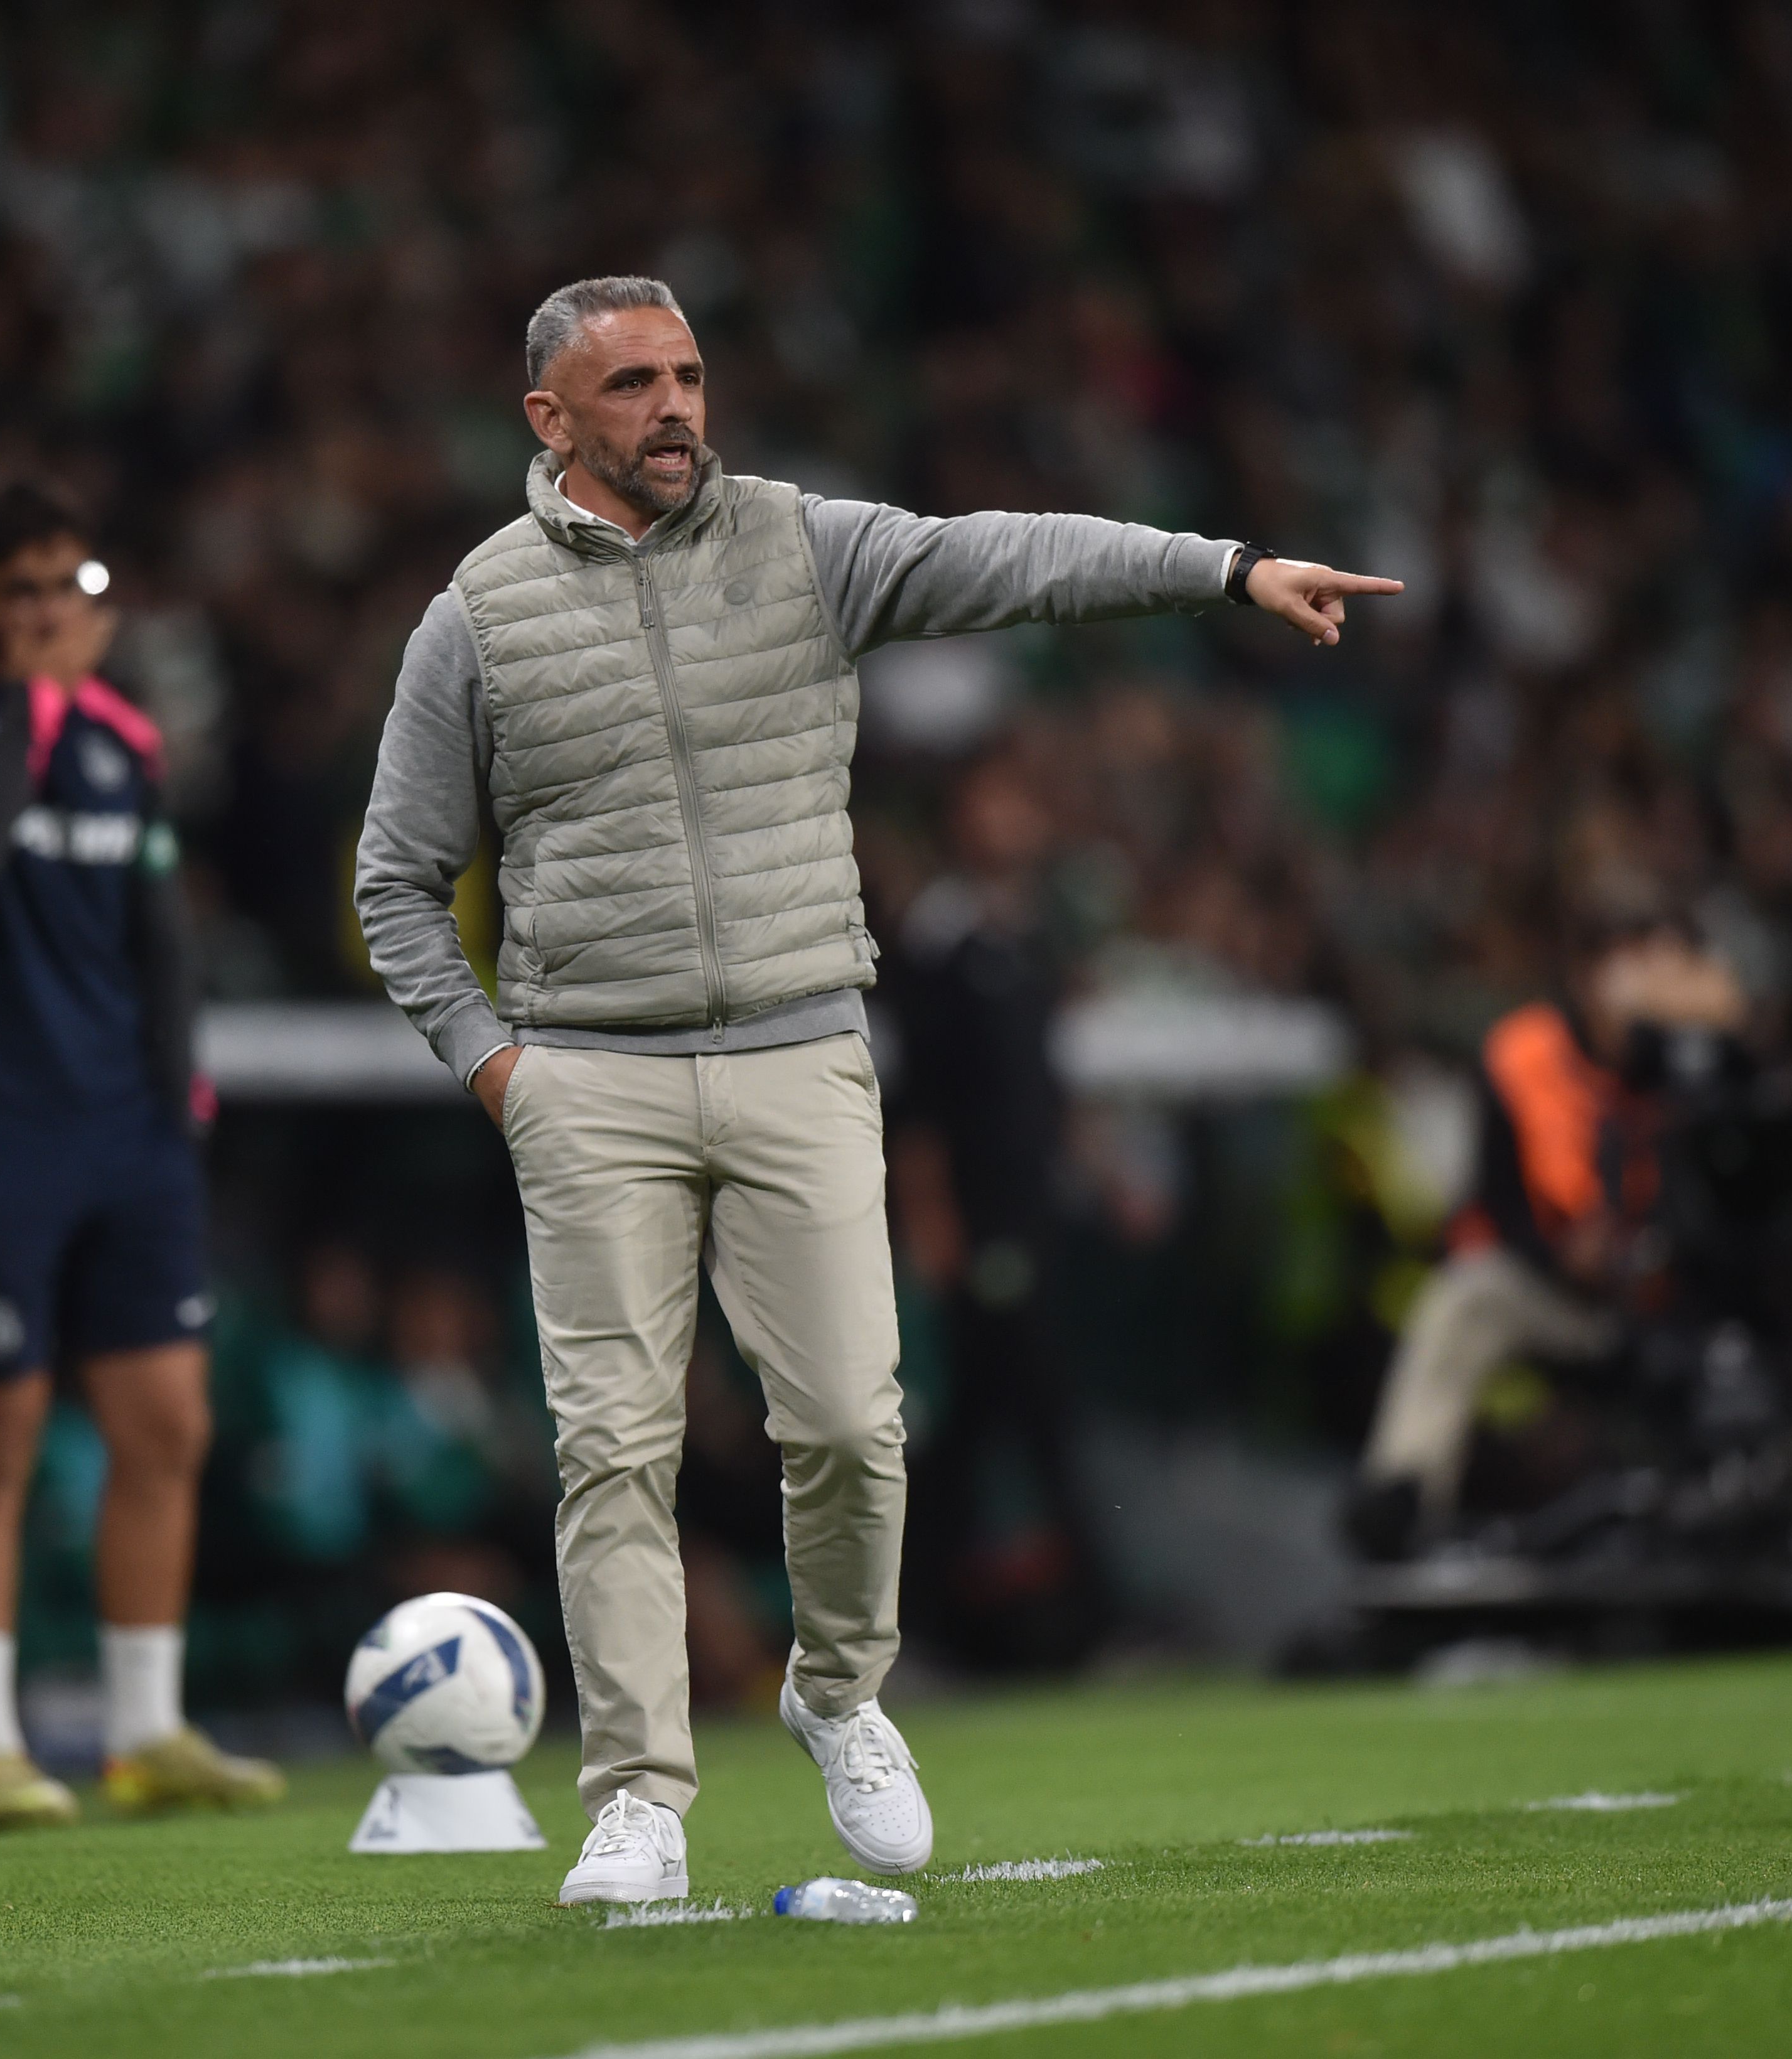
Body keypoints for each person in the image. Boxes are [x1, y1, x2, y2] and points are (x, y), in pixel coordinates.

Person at [354, 275, 1399, 1901]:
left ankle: (838, 1695)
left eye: (692, 374)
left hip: (799, 1049)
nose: (678, 408)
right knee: (611, 1451)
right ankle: (638, 1798)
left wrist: (1225, 569)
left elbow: (1013, 558)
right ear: (549, 420)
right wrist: (500, 1072)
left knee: (850, 1423)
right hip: (592, 1082)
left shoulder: (801, 545)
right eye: (633, 385)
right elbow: (393, 886)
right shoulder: (475, 616)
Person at [0, 476, 281, 1831]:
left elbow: (158, 940)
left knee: (167, 1424)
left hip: (129, 1138)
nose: (55, 610)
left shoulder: (128, 741)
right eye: (27, 588)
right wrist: (28, 704)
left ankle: (144, 1727)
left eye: (73, 583)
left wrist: (182, 1102)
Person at [1343, 900, 1792, 1556]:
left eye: (1670, 962)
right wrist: (1563, 1257)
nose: (1650, 986)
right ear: (1586, 975)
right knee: (1467, 1296)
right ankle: (1402, 1493)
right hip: (1587, 1307)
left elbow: (1788, 1188)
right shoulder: (1526, 1054)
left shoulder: (1734, 1056)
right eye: (1631, 963)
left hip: (1714, 1295)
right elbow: (1503, 1202)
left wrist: (1726, 1052)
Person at [886, 751, 1113, 1669]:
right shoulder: (940, 940)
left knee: (983, 1420)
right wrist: (931, 1213)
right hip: (982, 1219)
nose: (1017, 819)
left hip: (1032, 1208)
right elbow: (921, 1098)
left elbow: (1046, 1085)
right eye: (998, 802)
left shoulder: (1027, 935)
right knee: (1031, 1408)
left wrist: (1106, 1175)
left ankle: (918, 1625)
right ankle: (1098, 1611)